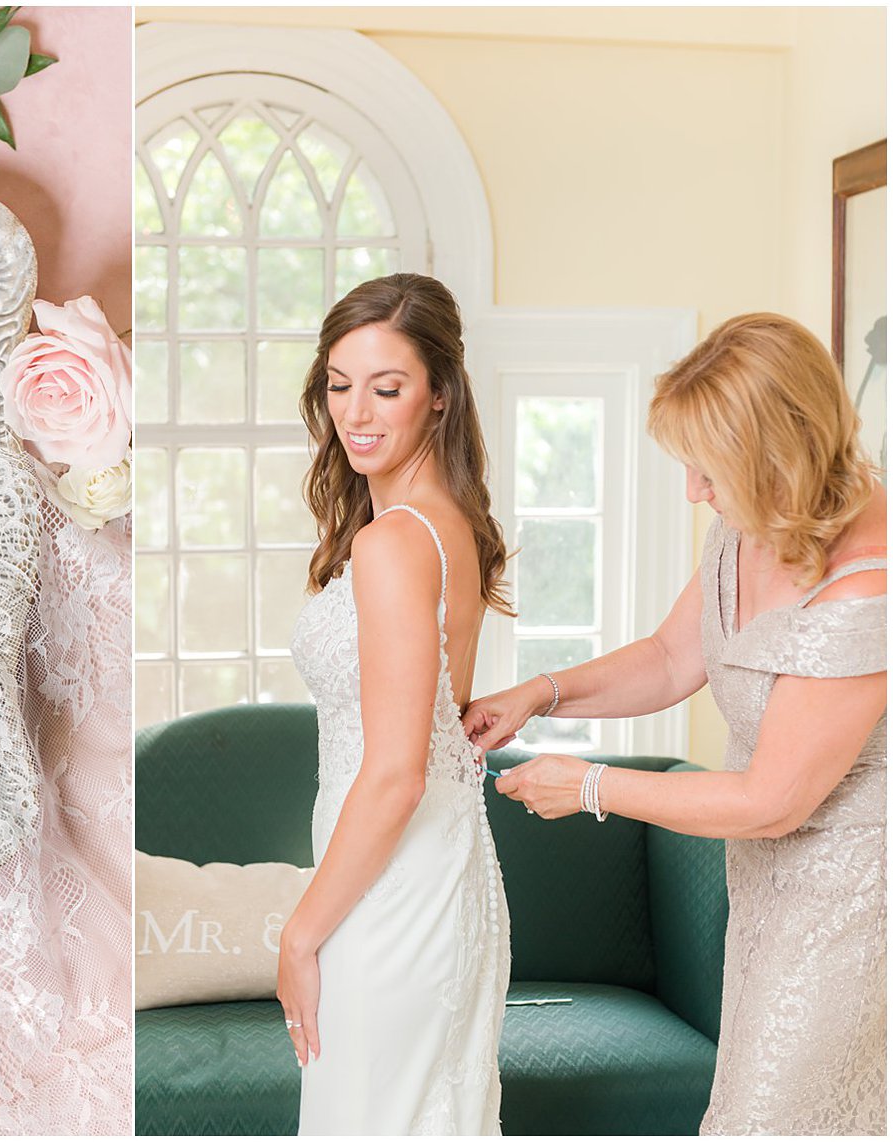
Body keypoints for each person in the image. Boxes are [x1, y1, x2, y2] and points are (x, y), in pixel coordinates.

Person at [464, 313, 886, 1135]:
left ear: (778, 455)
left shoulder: (866, 589)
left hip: (850, 902)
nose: (693, 489)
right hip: (766, 885)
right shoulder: (751, 515)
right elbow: (668, 657)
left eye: (707, 468)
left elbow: (773, 801)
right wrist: (540, 693)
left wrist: (590, 786)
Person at [283, 273, 514, 1134]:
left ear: (441, 397)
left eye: (389, 388)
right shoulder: (449, 523)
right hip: (435, 877)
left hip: (394, 893)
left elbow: (396, 776)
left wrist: (300, 934)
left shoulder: (393, 544)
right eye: (340, 386)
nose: (357, 413)